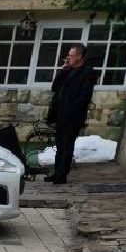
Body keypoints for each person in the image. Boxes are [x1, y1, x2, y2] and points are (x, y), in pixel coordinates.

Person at [45, 43, 96, 186]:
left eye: (72, 55)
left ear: (80, 57)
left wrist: (71, 110)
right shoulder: (68, 70)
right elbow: (55, 87)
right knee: (60, 146)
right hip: (60, 114)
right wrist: (63, 70)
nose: (68, 58)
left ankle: (62, 175)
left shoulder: (87, 72)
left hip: (72, 116)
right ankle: (56, 172)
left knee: (67, 146)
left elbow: (85, 96)